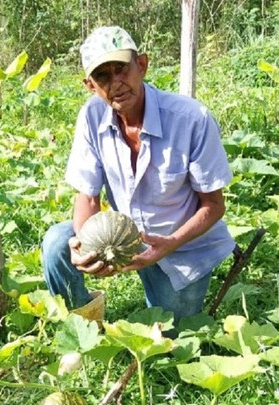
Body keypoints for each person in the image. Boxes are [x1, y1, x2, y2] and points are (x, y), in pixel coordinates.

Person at [42, 25, 235, 322]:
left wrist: (170, 243)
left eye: (121, 69)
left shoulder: (191, 119)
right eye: (103, 76)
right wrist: (85, 245)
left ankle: (166, 293)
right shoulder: (91, 116)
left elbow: (214, 205)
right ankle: (84, 326)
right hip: (123, 234)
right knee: (58, 243)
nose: (116, 83)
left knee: (169, 338)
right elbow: (88, 196)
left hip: (181, 245)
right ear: (90, 86)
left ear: (142, 65)